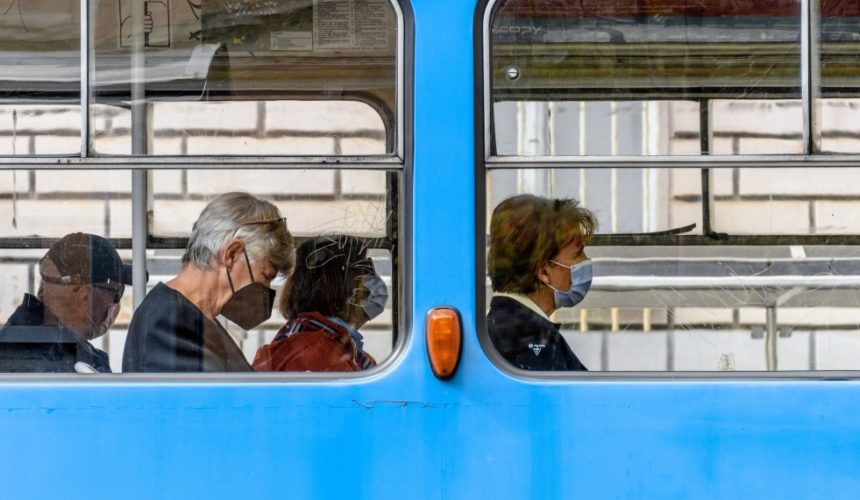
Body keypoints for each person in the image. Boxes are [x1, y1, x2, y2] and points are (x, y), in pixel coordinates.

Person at [123, 192, 294, 372]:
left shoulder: (195, 317)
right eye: (266, 276)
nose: (266, 289)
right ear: (232, 254)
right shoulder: (169, 319)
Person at [487, 194, 597, 371]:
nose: (585, 261)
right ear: (544, 271)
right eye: (578, 254)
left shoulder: (505, 326)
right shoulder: (530, 339)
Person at [0, 233, 133, 373]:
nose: (117, 306)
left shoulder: (21, 340)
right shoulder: (52, 361)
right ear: (86, 297)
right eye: (117, 294)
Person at [253, 235, 387, 372]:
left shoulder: (331, 346)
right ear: (337, 285)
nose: (368, 283)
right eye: (362, 269)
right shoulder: (319, 354)